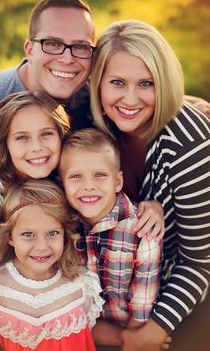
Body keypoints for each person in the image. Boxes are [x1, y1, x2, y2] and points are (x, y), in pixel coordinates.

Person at [89, 19, 210, 350]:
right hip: (101, 302)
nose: (130, 99)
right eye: (117, 82)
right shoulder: (89, 127)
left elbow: (200, 261)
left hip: (173, 297)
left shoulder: (189, 142)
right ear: (97, 84)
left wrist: (153, 331)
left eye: (146, 83)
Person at [0, 90, 69, 351]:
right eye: (22, 138)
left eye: (47, 134)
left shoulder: (60, 185)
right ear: (5, 145)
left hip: (45, 328)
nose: (37, 147)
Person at [59, 127, 165, 347]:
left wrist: (134, 341)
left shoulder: (142, 229)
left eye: (100, 175)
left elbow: (142, 308)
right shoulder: (62, 226)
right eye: (76, 176)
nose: (89, 186)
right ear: (62, 183)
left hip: (132, 332)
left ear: (118, 182)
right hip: (82, 331)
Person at [0, 0, 96, 184]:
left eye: (81, 47)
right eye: (53, 44)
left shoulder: (95, 100)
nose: (67, 59)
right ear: (29, 50)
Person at [0, 178, 104, 351]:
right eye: (28, 234)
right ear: (10, 237)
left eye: (52, 233)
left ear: (64, 235)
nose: (42, 246)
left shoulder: (82, 285)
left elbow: (86, 335)